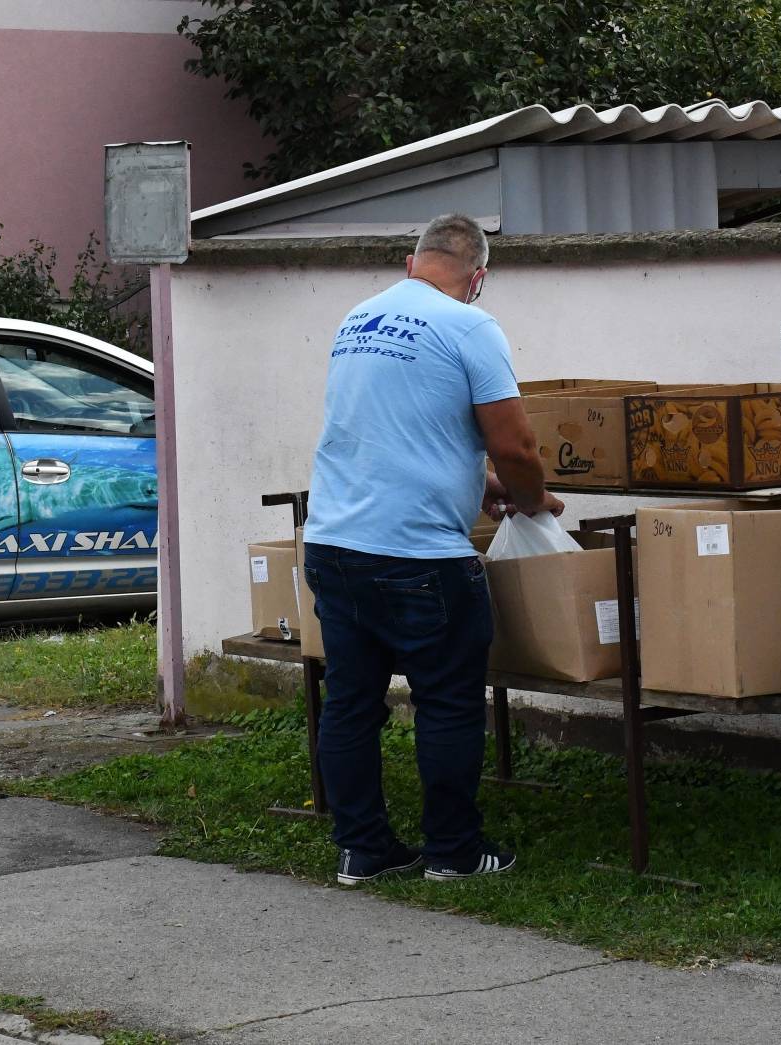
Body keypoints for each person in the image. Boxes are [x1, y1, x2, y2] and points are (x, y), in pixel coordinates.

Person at [301, 213, 562, 885]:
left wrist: (482, 487)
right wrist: (530, 496)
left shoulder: (357, 320)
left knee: (351, 701)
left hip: (334, 544)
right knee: (447, 699)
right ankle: (453, 849)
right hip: (419, 557)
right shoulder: (471, 326)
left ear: (410, 261)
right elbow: (516, 444)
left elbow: (399, 435)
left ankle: (362, 848)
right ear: (477, 277)